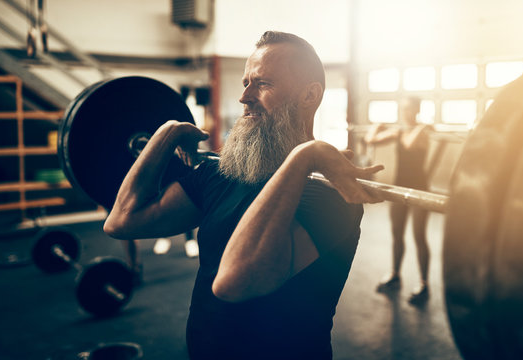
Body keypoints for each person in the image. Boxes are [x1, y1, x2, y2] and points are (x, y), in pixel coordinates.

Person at [103, 31, 383, 359]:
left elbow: (235, 282)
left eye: (263, 84)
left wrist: (305, 156)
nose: (245, 96)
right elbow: (123, 220)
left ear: (309, 95)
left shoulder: (332, 198)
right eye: (245, 82)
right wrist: (167, 133)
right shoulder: (221, 174)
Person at [364, 96, 432, 305]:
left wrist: (420, 128)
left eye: (408, 109)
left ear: (416, 110)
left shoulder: (422, 132)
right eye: (402, 108)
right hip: (399, 188)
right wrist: (377, 126)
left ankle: (423, 283)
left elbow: (409, 144)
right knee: (397, 234)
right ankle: (395, 275)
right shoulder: (402, 131)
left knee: (419, 236)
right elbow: (369, 140)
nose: (404, 112)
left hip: (420, 191)